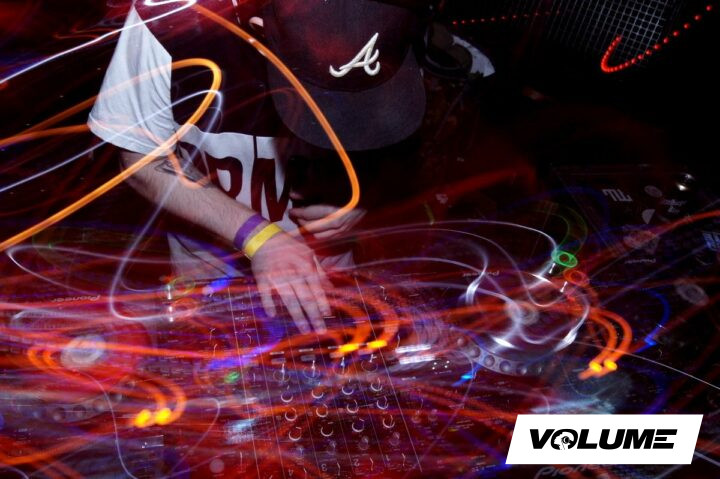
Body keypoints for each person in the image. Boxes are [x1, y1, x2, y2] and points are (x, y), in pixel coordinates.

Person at [88, 0, 428, 333]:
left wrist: (365, 199)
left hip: (331, 282)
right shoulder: (168, 15)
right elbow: (141, 160)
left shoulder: (400, 19)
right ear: (259, 26)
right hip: (213, 286)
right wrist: (258, 237)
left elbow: (404, 143)